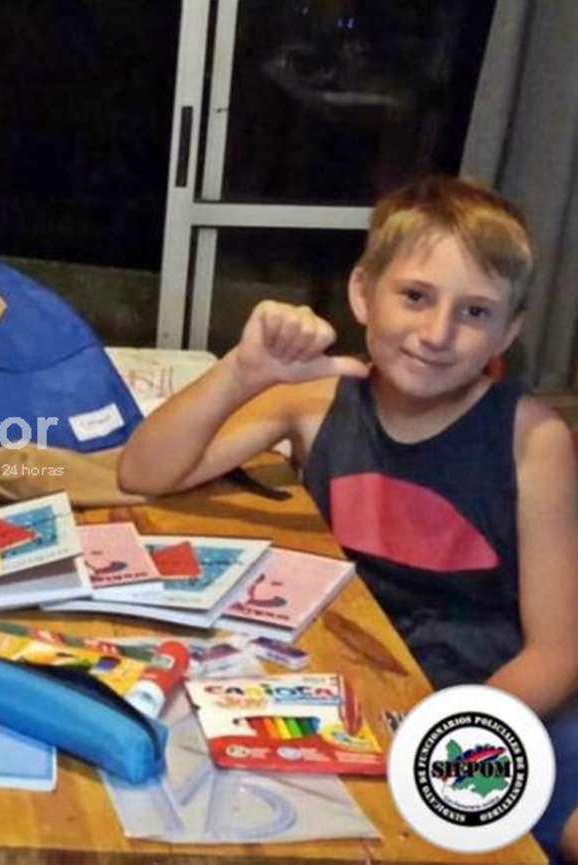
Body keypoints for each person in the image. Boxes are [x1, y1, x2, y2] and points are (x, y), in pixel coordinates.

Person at [117, 176, 578, 862]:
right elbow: (143, 471)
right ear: (364, 293)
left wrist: (449, 737)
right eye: (416, 296)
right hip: (359, 689)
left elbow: (558, 652)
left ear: (506, 331)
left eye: (475, 312)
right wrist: (243, 373)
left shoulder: (533, 439)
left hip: (496, 702)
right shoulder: (315, 400)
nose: (438, 333)